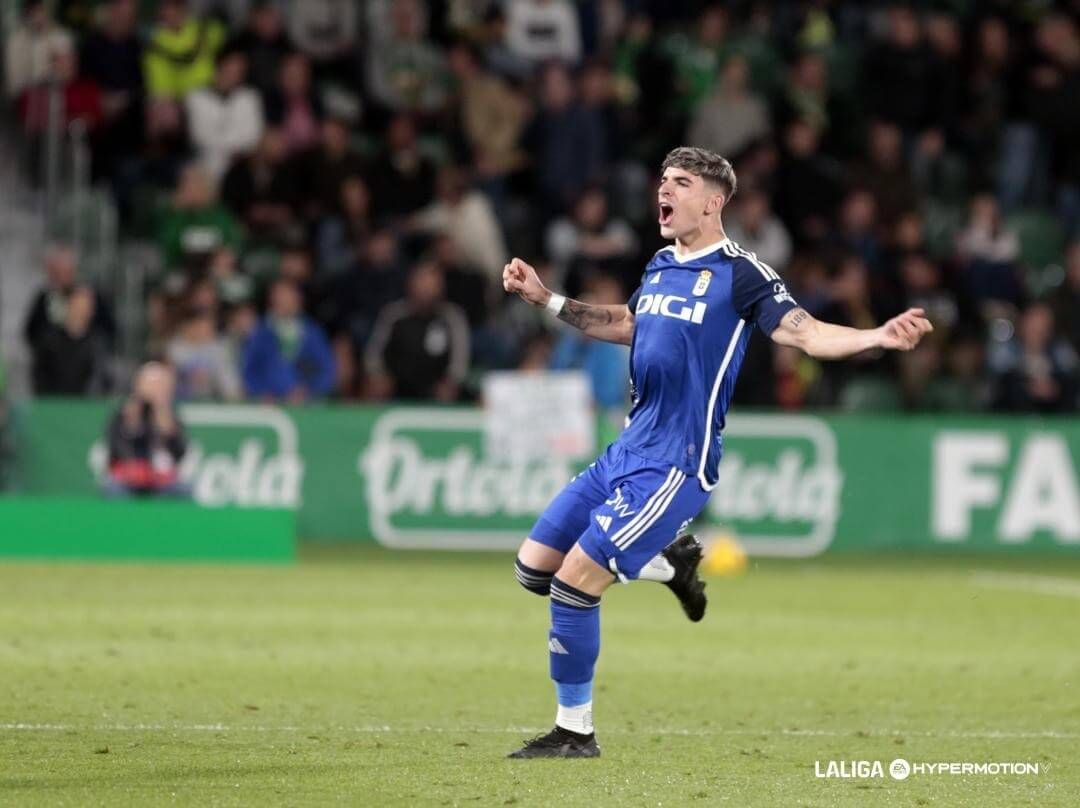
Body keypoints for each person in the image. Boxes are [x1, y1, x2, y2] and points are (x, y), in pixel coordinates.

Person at [501, 146, 933, 758]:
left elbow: (804, 332)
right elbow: (629, 323)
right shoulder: (658, 264)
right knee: (532, 571)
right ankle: (667, 565)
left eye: (679, 182)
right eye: (662, 181)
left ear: (713, 200)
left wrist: (877, 336)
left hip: (675, 463)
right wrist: (546, 300)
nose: (664, 192)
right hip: (625, 451)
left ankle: (575, 733)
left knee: (575, 585)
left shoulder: (742, 273)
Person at [241, 278, 335, 403]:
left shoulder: (312, 333)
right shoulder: (260, 333)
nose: (281, 301)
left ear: (297, 299)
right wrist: (262, 393)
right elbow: (249, 370)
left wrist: (308, 391)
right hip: (269, 405)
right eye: (278, 296)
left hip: (307, 405)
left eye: (286, 296)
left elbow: (326, 369)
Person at [103, 362, 189, 497]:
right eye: (151, 385)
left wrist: (164, 420)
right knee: (113, 489)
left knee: (183, 490)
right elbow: (115, 447)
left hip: (160, 479)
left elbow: (180, 452)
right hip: (128, 475)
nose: (154, 390)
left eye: (159, 386)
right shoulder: (124, 413)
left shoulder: (170, 415)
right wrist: (132, 423)